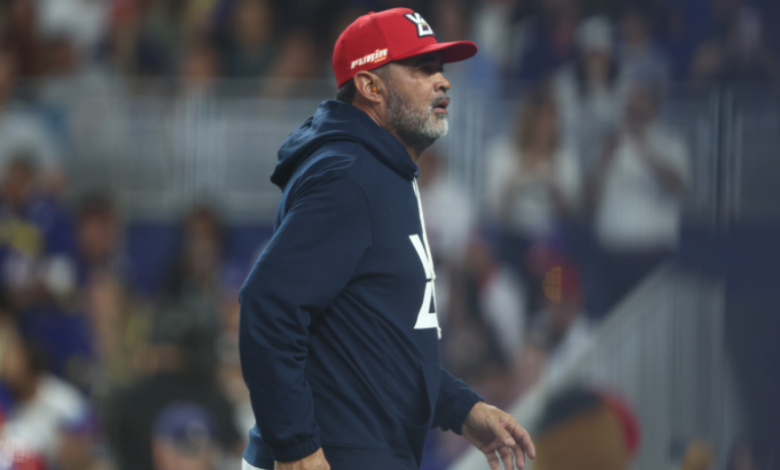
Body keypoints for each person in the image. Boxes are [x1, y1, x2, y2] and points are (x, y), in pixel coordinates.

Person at [239, 8, 536, 470]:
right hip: (334, 454)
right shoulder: (350, 175)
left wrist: (462, 408)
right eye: (421, 69)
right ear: (370, 86)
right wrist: (296, 446)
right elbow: (267, 304)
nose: (443, 82)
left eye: (440, 68)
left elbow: (382, 347)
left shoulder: (381, 171)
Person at [586, 74, 689, 314]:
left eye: (638, 99)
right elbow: (589, 199)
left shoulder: (669, 142)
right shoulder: (610, 144)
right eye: (629, 101)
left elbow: (678, 184)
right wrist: (603, 161)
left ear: (654, 106)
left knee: (650, 322)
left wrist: (646, 151)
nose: (631, 105)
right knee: (613, 320)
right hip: (612, 256)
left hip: (651, 256)